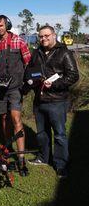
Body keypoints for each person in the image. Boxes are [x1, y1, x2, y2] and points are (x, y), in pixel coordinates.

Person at [24, 25, 79, 178]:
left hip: (57, 101)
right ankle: (43, 157)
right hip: (39, 100)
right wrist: (28, 82)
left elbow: (73, 75)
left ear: (54, 35)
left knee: (60, 134)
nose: (44, 39)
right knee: (42, 133)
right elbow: (29, 71)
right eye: (41, 36)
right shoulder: (37, 52)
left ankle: (61, 164)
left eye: (47, 35)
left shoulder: (64, 53)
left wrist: (54, 84)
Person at [0, 15, 31, 176]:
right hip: (0, 88)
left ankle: (21, 159)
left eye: (1, 25)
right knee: (5, 119)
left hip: (15, 87)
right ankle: (7, 151)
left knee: (16, 118)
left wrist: (26, 83)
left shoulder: (19, 41)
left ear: (7, 25)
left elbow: (28, 62)